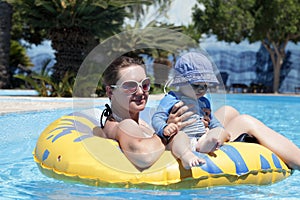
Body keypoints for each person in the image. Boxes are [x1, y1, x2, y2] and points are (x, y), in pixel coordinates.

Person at [93, 56, 205, 171]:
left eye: (145, 84)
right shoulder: (123, 124)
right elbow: (144, 156)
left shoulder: (141, 122)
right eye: (131, 86)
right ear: (110, 92)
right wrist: (166, 133)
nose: (141, 92)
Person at [152, 52, 230, 154]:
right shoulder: (172, 98)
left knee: (221, 131)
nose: (201, 90)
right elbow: (157, 117)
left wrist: (218, 130)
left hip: (201, 138)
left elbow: (213, 121)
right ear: (181, 83)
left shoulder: (204, 102)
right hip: (182, 139)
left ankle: (208, 143)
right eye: (196, 85)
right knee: (180, 137)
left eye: (205, 86)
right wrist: (164, 128)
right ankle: (193, 151)